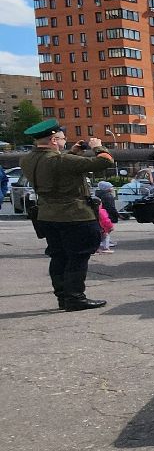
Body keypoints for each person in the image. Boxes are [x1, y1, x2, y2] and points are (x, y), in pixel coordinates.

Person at [18, 119, 115, 311]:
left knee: (58, 257)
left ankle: (63, 297)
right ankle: (75, 298)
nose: (64, 142)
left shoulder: (27, 160)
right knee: (78, 257)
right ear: (54, 140)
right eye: (62, 139)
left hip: (47, 215)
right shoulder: (61, 160)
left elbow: (56, 168)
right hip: (74, 216)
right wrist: (98, 147)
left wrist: (73, 152)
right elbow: (105, 161)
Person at [94, 180, 119, 252]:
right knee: (106, 233)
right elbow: (111, 207)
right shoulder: (108, 196)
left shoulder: (97, 195)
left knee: (103, 232)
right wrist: (117, 215)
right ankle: (106, 246)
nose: (112, 188)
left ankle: (103, 244)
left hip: (100, 217)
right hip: (107, 216)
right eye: (111, 187)